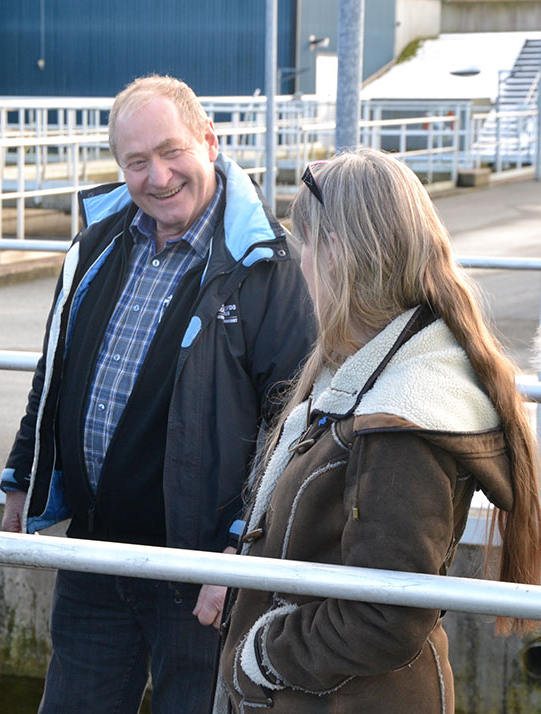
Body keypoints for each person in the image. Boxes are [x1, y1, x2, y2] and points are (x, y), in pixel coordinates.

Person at [0, 74, 316, 713]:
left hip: (200, 569)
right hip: (95, 551)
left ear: (210, 141)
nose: (158, 176)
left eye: (172, 152)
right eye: (136, 161)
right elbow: (54, 369)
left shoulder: (267, 266)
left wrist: (240, 552)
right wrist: (20, 473)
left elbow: (293, 422)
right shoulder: (97, 242)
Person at [216, 148, 541, 713]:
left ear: (340, 254)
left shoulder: (401, 417)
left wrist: (261, 659)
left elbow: (387, 614)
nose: (302, 264)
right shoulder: (374, 368)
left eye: (308, 246)